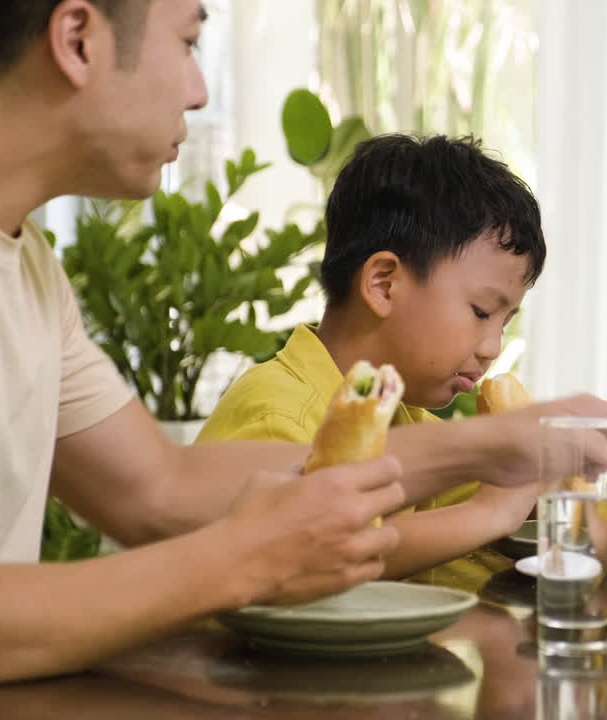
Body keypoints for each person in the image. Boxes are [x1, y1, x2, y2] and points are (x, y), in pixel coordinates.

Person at [0, 0, 607, 695]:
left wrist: (489, 445)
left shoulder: (21, 259)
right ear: (77, 39)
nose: (201, 91)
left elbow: (159, 486)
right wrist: (236, 561)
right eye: (189, 40)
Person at [198, 133, 545, 588]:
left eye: (504, 322)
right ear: (383, 284)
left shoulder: (406, 421)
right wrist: (492, 511)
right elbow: (312, 554)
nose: (491, 347)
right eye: (481, 312)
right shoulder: (278, 417)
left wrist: (542, 487)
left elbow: (481, 536)